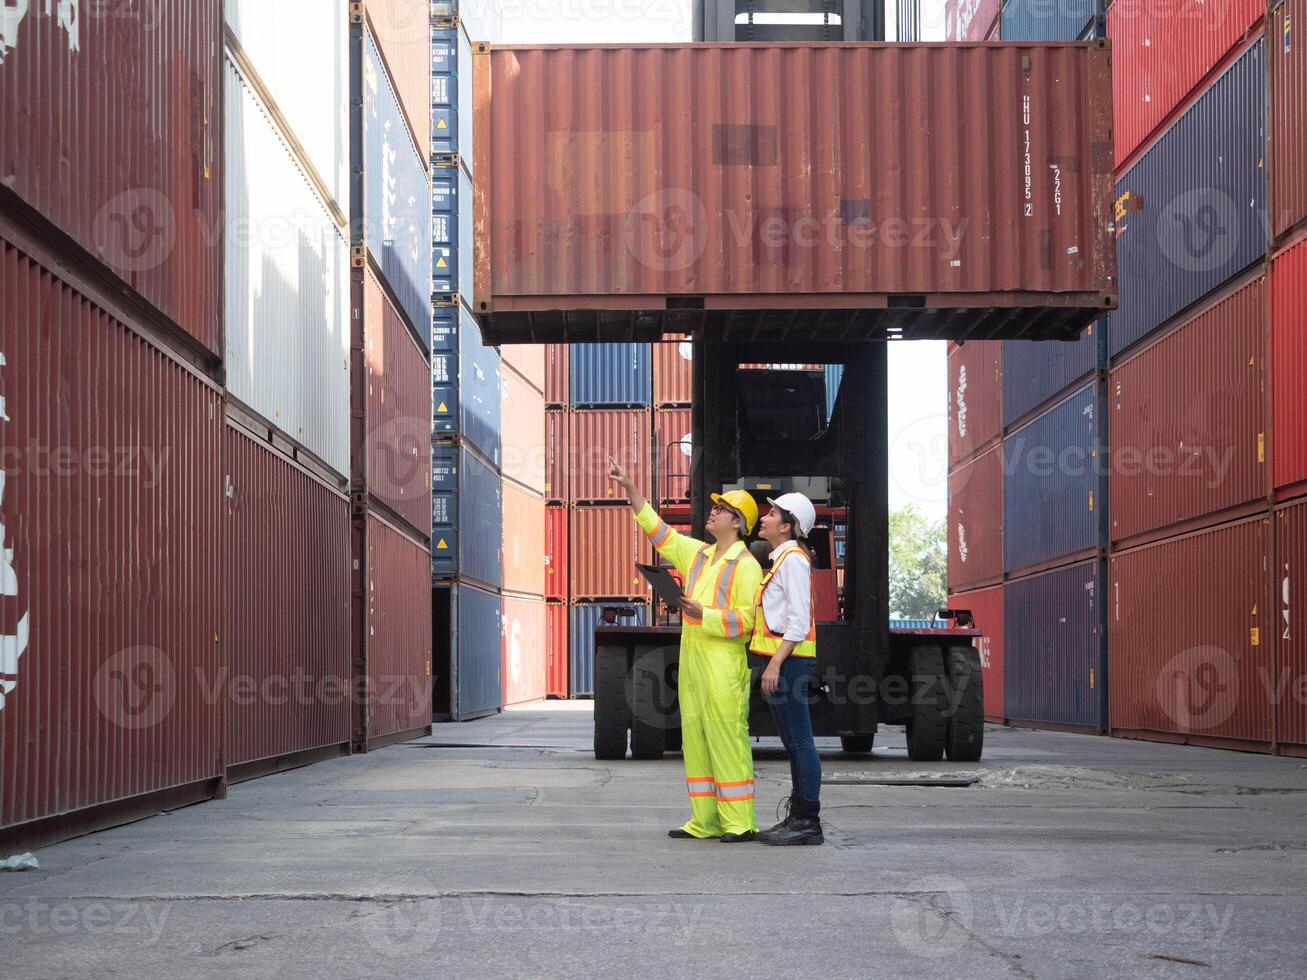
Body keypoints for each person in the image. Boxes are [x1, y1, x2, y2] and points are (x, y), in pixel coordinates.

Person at [608, 457, 763, 842]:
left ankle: (739, 823)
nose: (712, 512)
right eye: (714, 507)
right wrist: (630, 490)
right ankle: (705, 820)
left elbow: (746, 622)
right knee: (695, 742)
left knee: (727, 742)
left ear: (737, 522)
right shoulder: (699, 555)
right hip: (695, 663)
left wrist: (703, 613)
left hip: (723, 666)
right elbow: (658, 532)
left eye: (721, 510)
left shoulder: (746, 566)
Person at [750, 492, 823, 846]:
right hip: (785, 661)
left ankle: (808, 821)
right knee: (793, 742)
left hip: (790, 662)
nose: (765, 517)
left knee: (800, 742)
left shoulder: (793, 560)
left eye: (773, 512)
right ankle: (798, 818)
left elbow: (798, 622)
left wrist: (775, 663)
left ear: (788, 525)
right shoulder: (782, 559)